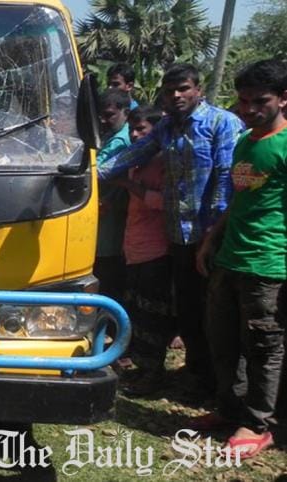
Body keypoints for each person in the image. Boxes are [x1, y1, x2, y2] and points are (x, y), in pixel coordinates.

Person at [98, 63, 244, 397]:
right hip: (179, 237)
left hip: (213, 238)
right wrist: (91, 174)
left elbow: (225, 179)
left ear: (199, 89)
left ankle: (221, 389)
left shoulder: (222, 123)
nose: (176, 96)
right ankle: (197, 377)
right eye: (170, 90)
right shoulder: (167, 128)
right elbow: (134, 153)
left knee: (218, 315)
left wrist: (211, 234)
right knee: (189, 311)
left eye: (183, 89)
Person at [193, 59, 287, 458]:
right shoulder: (247, 142)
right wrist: (211, 239)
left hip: (268, 266)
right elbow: (241, 199)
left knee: (264, 348)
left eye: (259, 101)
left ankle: (258, 423)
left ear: (284, 98)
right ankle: (229, 410)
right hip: (229, 258)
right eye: (243, 100)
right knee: (223, 341)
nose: (248, 109)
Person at [112, 105, 174, 395]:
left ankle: (154, 374)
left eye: (141, 130)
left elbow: (164, 202)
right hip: (134, 248)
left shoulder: (163, 163)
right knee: (136, 310)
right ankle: (141, 367)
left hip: (155, 251)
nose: (135, 135)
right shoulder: (136, 162)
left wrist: (127, 184)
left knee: (153, 316)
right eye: (133, 129)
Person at [94, 88, 131, 303]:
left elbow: (98, 170)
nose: (104, 120)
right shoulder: (111, 136)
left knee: (106, 274)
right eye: (102, 115)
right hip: (105, 214)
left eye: (110, 115)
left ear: (125, 112)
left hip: (110, 215)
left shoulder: (121, 141)